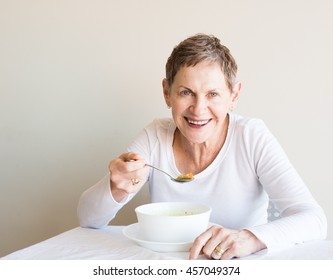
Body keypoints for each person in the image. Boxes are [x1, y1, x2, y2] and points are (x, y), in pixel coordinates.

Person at [77, 33, 327, 260]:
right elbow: (88, 219)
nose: (198, 110)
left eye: (213, 94)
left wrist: (247, 238)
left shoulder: (252, 136)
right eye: (186, 92)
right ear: (167, 93)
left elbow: (314, 220)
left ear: (234, 96)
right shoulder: (156, 135)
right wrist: (116, 186)